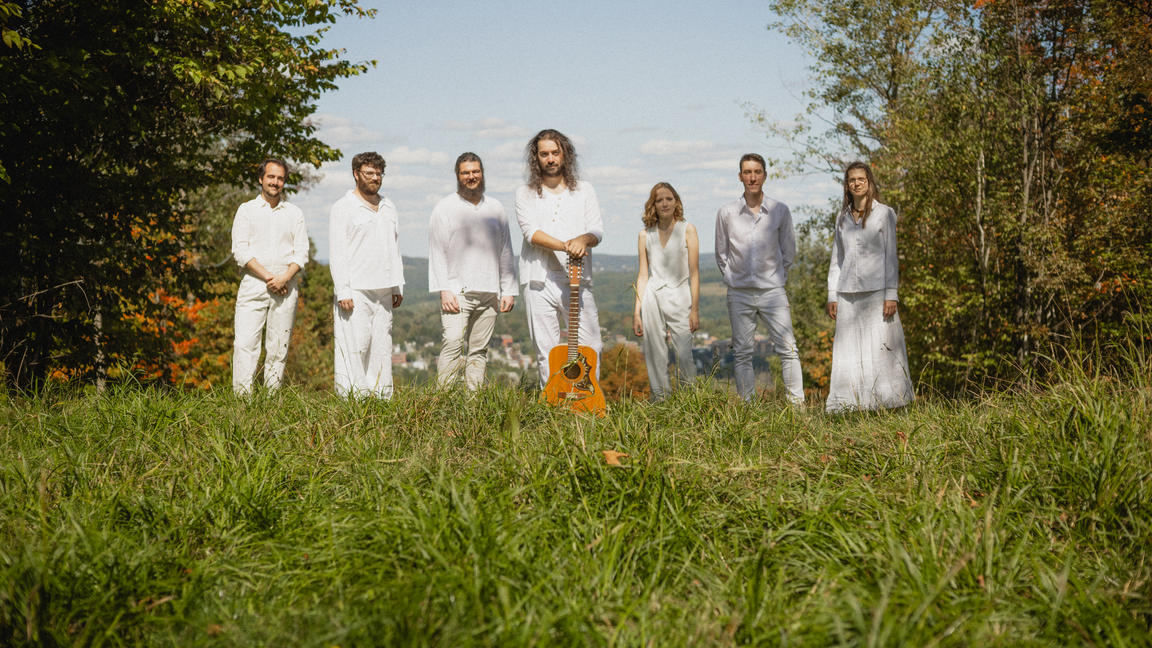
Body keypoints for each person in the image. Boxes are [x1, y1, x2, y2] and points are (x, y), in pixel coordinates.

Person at [515, 129, 604, 386]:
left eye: (555, 153)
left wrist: (583, 240)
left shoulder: (585, 190)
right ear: (537, 158)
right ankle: (553, 405)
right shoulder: (525, 193)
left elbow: (597, 230)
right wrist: (567, 245)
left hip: (578, 278)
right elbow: (531, 233)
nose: (551, 159)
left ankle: (588, 402)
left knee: (591, 346)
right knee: (547, 351)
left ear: (565, 155)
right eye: (544, 154)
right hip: (538, 280)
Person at [715, 153, 805, 404]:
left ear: (765, 175)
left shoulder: (780, 211)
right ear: (740, 176)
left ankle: (797, 408)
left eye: (757, 172)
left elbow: (789, 252)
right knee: (743, 353)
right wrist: (735, 278)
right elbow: (721, 254)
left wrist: (775, 277)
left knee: (788, 349)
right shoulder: (727, 213)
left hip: (773, 292)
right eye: (747, 172)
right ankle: (748, 409)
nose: (752, 177)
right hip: (739, 293)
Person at [825, 162, 914, 412]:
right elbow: (837, 259)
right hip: (847, 295)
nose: (857, 183)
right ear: (847, 185)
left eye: (861, 179)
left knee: (883, 348)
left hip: (877, 293)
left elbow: (891, 256)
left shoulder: (885, 213)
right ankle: (849, 405)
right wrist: (832, 294)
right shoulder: (842, 217)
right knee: (848, 351)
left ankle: (891, 402)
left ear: (869, 182)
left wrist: (891, 294)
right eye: (852, 180)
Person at [428, 153, 517, 390]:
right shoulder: (444, 208)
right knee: (453, 344)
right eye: (465, 172)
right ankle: (442, 401)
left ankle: (473, 403)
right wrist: (444, 290)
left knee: (479, 350)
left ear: (482, 173)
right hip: (457, 292)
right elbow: (437, 252)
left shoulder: (496, 208)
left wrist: (508, 289)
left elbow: (506, 250)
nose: (471, 176)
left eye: (475, 171)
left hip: (489, 292)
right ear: (458, 176)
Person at [329, 151, 405, 398]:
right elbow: (337, 251)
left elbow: (394, 247)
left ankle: (381, 399)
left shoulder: (388, 205)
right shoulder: (343, 207)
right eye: (369, 173)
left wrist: (397, 286)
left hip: (384, 289)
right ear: (356, 174)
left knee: (382, 347)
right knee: (355, 346)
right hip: (356, 290)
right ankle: (352, 400)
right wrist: (343, 290)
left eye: (379, 173)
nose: (375, 178)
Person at [230, 157, 309, 394]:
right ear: (261, 179)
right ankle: (242, 401)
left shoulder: (294, 213)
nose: (275, 182)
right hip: (254, 285)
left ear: (285, 182)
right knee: (245, 344)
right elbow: (240, 251)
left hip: (287, 287)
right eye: (271, 177)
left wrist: (285, 277)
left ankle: (271, 403)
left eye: (280, 178)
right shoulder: (246, 210)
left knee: (278, 347)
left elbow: (302, 252)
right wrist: (270, 277)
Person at [632, 182, 700, 401]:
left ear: (676, 201)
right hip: (652, 296)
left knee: (684, 354)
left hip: (680, 296)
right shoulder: (645, 234)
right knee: (655, 354)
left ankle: (690, 402)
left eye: (669, 198)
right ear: (653, 204)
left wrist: (695, 309)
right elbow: (643, 275)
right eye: (659, 200)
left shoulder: (687, 229)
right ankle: (660, 402)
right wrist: (637, 312)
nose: (664, 203)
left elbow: (695, 272)